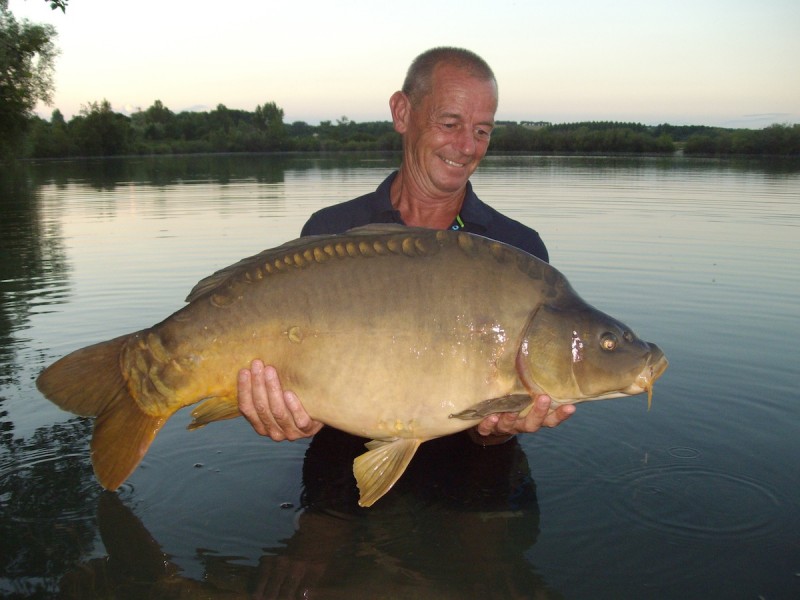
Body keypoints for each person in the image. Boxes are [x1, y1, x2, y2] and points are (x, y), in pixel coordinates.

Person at [237, 47, 575, 449]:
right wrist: (289, 412)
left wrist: (498, 432)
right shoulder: (332, 231)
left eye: (482, 130)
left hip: (475, 482)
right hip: (341, 471)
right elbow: (302, 375)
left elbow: (500, 407)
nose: (467, 146)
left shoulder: (519, 251)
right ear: (402, 112)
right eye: (450, 123)